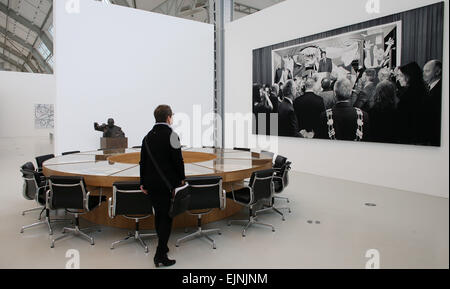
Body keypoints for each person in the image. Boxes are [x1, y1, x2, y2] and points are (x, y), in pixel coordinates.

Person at [140, 105, 186, 267]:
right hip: (167, 184)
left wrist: (142, 183)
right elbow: (178, 160)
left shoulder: (147, 137)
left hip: (151, 184)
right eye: (171, 116)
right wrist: (181, 178)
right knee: (166, 217)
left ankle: (163, 246)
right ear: (168, 118)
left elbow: (143, 162)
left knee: (159, 215)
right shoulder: (172, 135)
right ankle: (160, 255)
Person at [395, 62, 429, 145]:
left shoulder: (410, 95)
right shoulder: (420, 90)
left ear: (409, 76)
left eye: (401, 75)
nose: (398, 78)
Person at [423, 60, 442, 146]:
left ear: (437, 71)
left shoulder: (441, 90)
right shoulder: (428, 88)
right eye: (423, 71)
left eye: (427, 71)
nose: (423, 74)